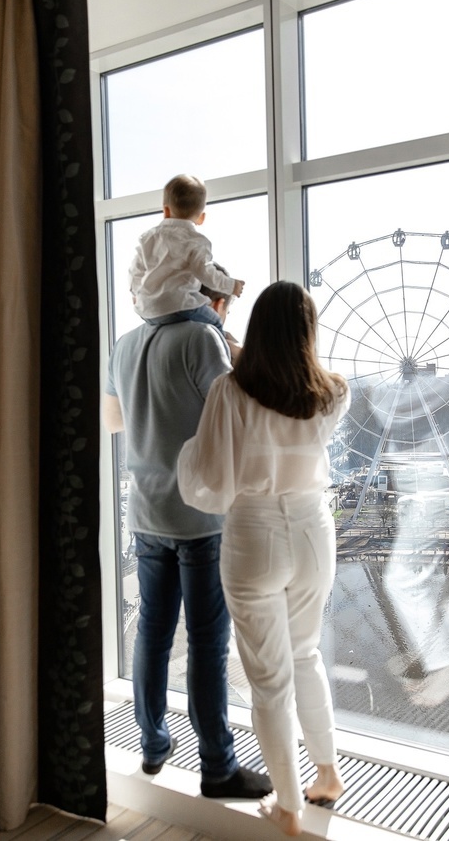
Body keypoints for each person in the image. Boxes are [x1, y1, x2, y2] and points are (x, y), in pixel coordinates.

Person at [177, 281, 349, 836]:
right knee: (306, 655)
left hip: (254, 533)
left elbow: (209, 474)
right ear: (308, 331)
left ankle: (289, 807)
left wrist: (185, 456)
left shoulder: (230, 391)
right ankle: (327, 774)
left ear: (256, 329)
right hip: (313, 530)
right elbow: (295, 413)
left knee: (269, 681)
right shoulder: (334, 393)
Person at [102, 286, 272, 801]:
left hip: (146, 513)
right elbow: (235, 417)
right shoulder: (201, 338)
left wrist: (157, 412)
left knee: (152, 634)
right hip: (199, 518)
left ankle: (153, 743)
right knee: (207, 643)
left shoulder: (125, 343)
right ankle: (217, 766)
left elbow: (113, 420)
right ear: (211, 301)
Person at [129, 174, 245, 340]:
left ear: (165, 211)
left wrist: (137, 293)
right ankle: (222, 350)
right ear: (201, 218)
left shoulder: (148, 237)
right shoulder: (196, 241)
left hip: (148, 310)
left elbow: (135, 272)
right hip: (180, 306)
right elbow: (206, 273)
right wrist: (231, 286)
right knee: (216, 324)